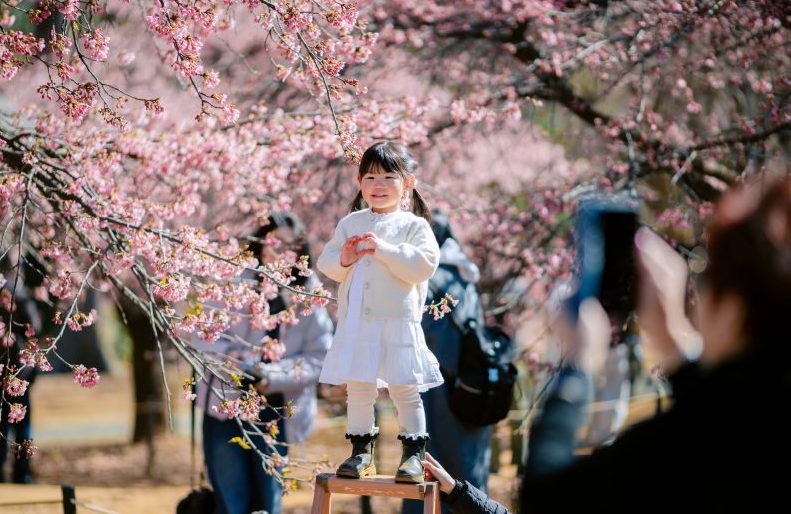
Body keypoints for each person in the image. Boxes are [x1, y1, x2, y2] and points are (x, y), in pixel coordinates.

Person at [422, 176, 791, 512]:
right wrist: (677, 349)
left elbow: (549, 499)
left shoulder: (681, 448)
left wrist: (576, 368)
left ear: (734, 310)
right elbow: (720, 410)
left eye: (705, 270)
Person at [317, 141, 442, 484]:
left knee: (404, 387)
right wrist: (345, 258)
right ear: (360, 182)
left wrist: (382, 249)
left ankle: (413, 455)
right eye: (371, 177)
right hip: (358, 320)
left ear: (408, 183)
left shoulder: (414, 226)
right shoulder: (351, 223)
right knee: (359, 387)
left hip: (397, 321)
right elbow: (327, 261)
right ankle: (361, 452)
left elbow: (423, 266)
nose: (379, 185)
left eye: (389, 177)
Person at [194, 212, 334, 514]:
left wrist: (270, 375)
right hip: (224, 403)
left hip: (275, 408)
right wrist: (241, 364)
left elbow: (319, 356)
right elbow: (204, 336)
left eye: (290, 245)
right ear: (260, 243)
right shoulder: (232, 280)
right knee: (230, 497)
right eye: (274, 242)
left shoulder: (307, 293)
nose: (281, 251)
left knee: (268, 499)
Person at [401, 211, 492, 514]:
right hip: (472, 384)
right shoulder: (464, 272)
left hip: (439, 390)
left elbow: (417, 330)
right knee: (468, 472)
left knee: (427, 469)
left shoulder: (430, 277)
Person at [0, 271, 42, 484]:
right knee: (22, 423)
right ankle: (22, 472)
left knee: (1, 422)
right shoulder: (21, 297)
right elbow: (36, 328)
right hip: (19, 371)